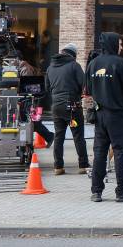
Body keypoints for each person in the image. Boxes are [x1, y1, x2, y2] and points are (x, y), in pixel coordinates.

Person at [86, 32, 123, 202]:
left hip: (99, 114)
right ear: (113, 43)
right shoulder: (119, 63)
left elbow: (88, 89)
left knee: (99, 152)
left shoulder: (93, 64)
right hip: (117, 114)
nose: (121, 47)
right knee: (120, 151)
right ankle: (122, 190)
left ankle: (96, 191)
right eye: (120, 43)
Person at [45, 43, 89, 176]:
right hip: (72, 107)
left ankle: (58, 167)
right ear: (73, 54)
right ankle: (83, 165)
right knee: (78, 136)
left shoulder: (50, 67)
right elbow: (84, 84)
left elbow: (47, 88)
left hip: (56, 107)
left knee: (59, 136)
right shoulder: (74, 66)